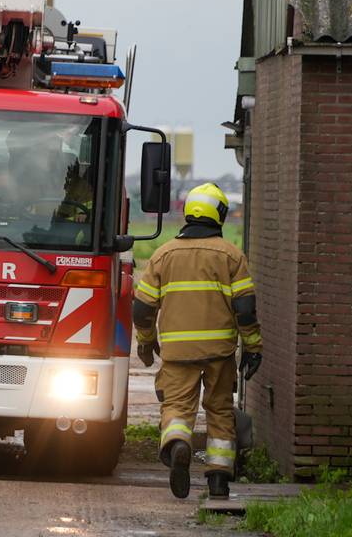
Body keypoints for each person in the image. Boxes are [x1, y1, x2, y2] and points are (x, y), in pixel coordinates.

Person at [133, 182, 262, 500]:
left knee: (177, 407)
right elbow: (245, 309)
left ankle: (179, 445)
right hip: (219, 352)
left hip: (177, 353)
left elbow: (143, 307)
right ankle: (218, 479)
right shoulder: (232, 255)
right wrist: (253, 346)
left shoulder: (163, 255)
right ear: (219, 214)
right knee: (219, 410)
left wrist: (146, 342)